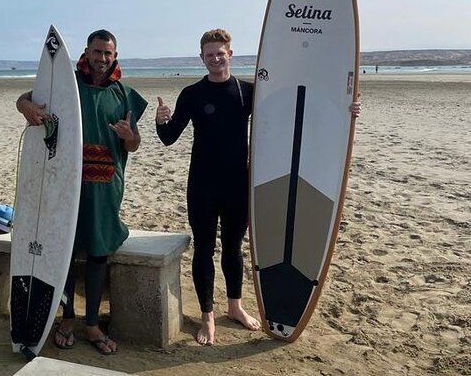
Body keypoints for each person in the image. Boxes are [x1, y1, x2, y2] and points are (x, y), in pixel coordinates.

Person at [155, 29, 361, 346]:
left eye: (219, 53)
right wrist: (160, 120)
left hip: (239, 184)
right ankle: (208, 316)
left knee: (234, 248)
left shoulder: (248, 92)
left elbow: (294, 113)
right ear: (202, 58)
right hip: (202, 186)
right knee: (204, 248)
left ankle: (234, 307)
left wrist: (347, 110)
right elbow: (169, 138)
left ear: (230, 54)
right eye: (209, 54)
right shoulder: (192, 95)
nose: (215, 58)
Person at [16, 29, 147, 355]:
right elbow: (26, 98)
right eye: (97, 52)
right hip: (65, 184)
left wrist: (130, 136)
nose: (102, 59)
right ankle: (67, 318)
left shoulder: (124, 94)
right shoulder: (68, 87)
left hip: (104, 187)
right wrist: (24, 107)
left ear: (115, 57)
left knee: (98, 252)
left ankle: (91, 324)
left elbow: (134, 144)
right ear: (87, 52)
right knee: (65, 251)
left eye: (109, 54)